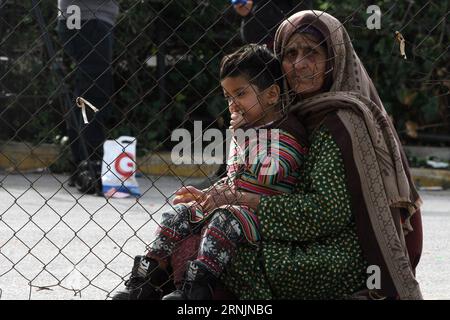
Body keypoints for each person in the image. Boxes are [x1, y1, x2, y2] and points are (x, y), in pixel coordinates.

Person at [209, 10, 423, 300]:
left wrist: (245, 202)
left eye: (312, 52)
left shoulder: (342, 122)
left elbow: (328, 212)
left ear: (334, 58)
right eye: (290, 53)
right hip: (307, 236)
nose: (299, 64)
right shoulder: (295, 114)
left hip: (345, 254)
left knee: (231, 248)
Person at [112, 44, 308, 300]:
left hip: (264, 216)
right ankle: (147, 281)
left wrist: (244, 136)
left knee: (224, 218)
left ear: (271, 95)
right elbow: (233, 177)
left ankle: (196, 289)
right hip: (236, 210)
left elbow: (267, 173)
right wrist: (207, 194)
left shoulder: (287, 133)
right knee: (179, 213)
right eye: (228, 97)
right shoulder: (245, 131)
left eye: (240, 94)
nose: (233, 104)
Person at [57, 0, 118, 194]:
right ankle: (91, 164)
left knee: (87, 90)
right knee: (94, 92)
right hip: (90, 18)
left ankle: (82, 163)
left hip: (78, 17)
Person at [232, 0, 311, 49]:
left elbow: (302, 11)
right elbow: (242, 5)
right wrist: (242, 4)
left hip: (282, 41)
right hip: (253, 44)